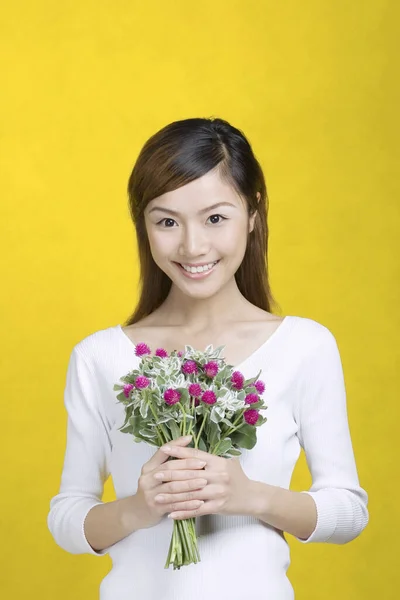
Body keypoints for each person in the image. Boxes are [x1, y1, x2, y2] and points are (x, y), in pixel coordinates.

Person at [47, 117, 369, 599]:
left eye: (215, 218)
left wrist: (250, 496)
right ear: (144, 225)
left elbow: (348, 512)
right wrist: (140, 506)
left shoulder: (305, 346)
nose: (192, 246)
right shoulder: (100, 357)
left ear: (253, 212)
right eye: (167, 221)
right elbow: (68, 516)